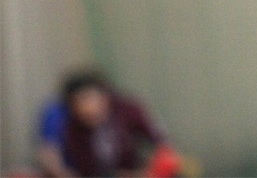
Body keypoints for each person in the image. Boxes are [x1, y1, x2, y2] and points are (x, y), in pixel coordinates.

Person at [35, 67, 182, 178]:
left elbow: (161, 141)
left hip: (137, 171)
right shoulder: (68, 125)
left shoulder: (128, 110)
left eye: (92, 99)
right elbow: (54, 156)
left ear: (105, 96)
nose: (89, 109)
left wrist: (152, 170)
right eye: (79, 103)